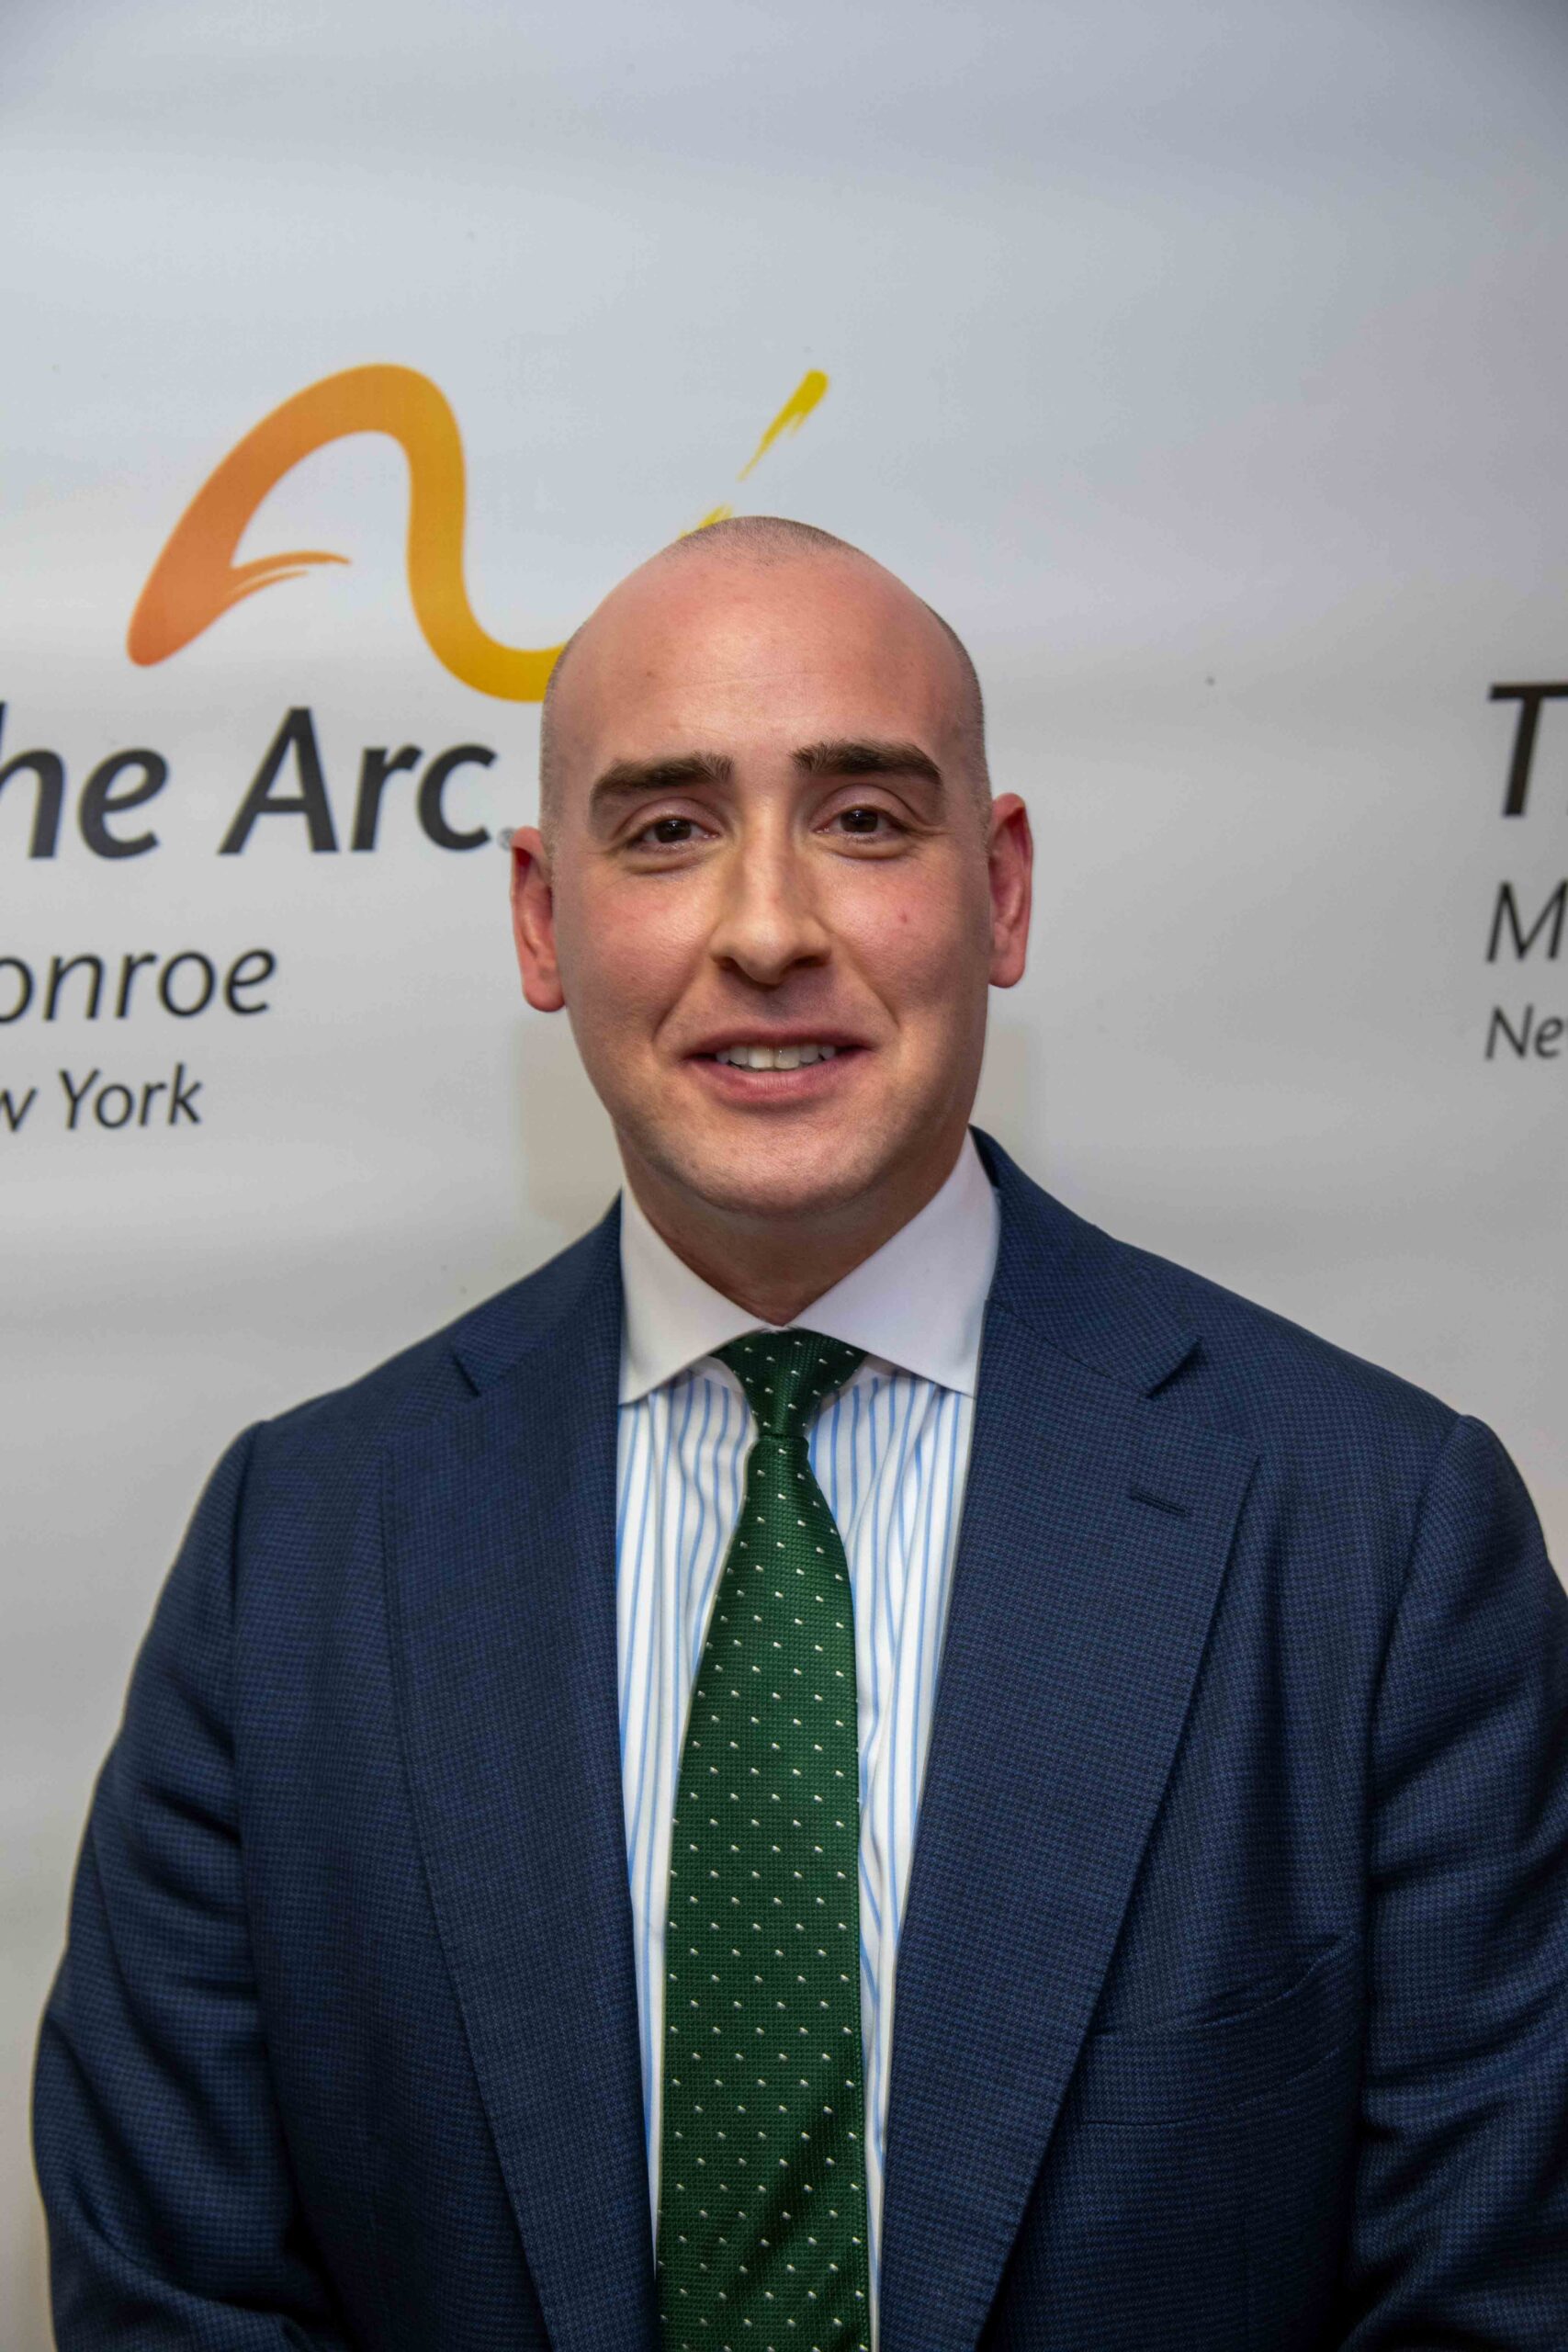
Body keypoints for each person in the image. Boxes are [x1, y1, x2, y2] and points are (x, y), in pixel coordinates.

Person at [33, 516, 1568, 2352]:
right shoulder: (291, 1557)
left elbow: (1497, 2294)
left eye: (862, 817)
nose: (767, 929)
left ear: (1001, 889)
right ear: (541, 916)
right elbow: (178, 2293)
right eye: (667, 830)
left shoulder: (1381, 1544)